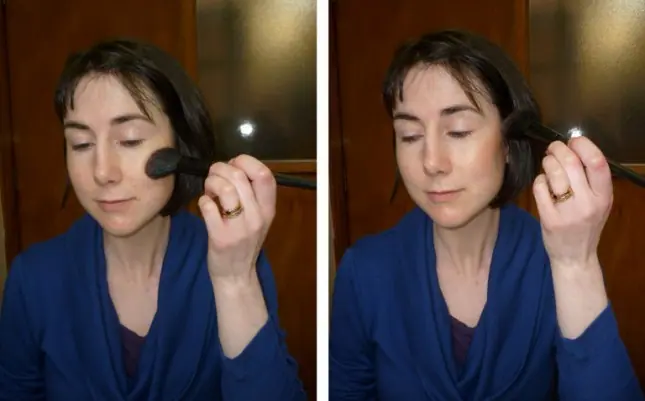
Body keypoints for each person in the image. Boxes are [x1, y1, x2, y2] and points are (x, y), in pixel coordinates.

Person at [329, 30, 644, 400]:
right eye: (410, 135)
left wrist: (576, 265)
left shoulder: (554, 260)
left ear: (510, 143)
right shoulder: (364, 272)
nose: (432, 162)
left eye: (459, 131)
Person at [0, 38, 306, 401]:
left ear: (180, 144)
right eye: (81, 144)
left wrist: (235, 282)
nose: (102, 172)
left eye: (130, 140)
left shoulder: (235, 258)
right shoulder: (33, 278)